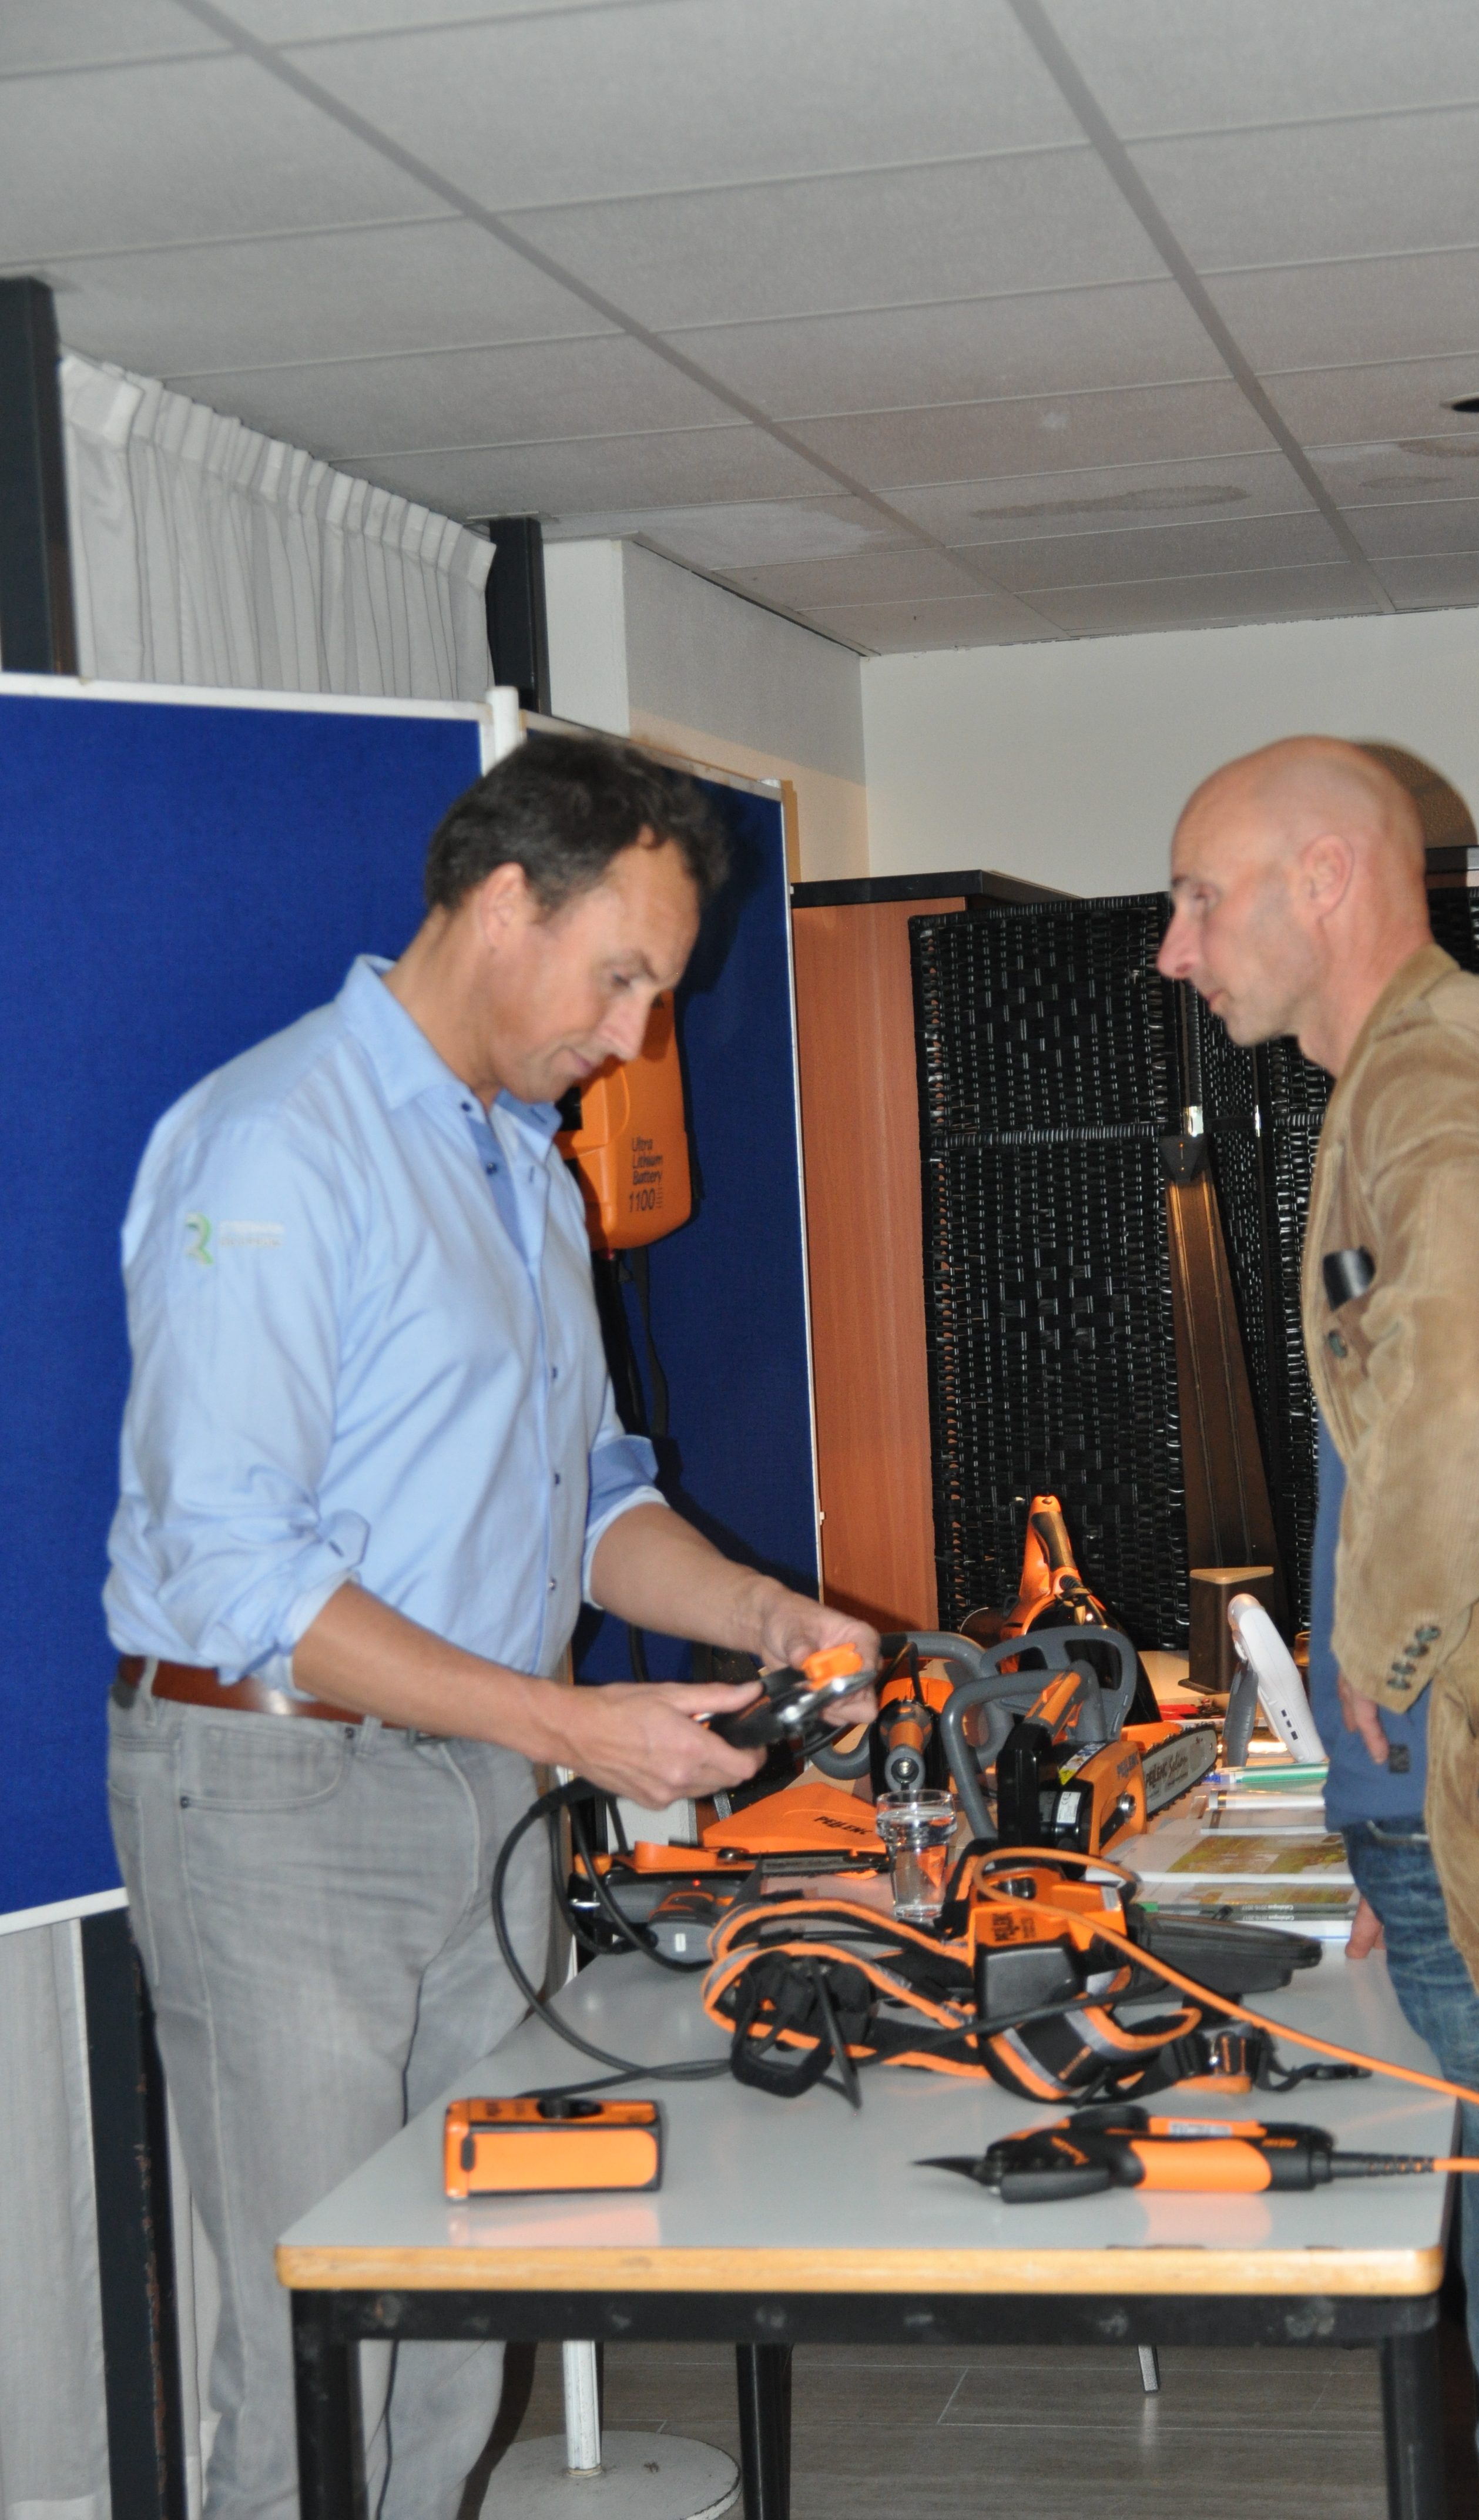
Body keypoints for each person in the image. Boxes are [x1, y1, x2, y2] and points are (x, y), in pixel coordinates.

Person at [105, 732, 878, 2520]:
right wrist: (569, 1728)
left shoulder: (529, 1174)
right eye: (624, 978)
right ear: (506, 901)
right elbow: (236, 1570)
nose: (636, 1036)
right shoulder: (279, 1142)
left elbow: (593, 1503)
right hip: (283, 1801)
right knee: (315, 2355)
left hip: (489, 1794)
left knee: (461, 2318)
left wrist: (769, 1615)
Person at [1158, 735, 1479, 2520]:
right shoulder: (1425, 1071)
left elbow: (1466, 1394)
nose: (1174, 946)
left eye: (1199, 897)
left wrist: (1379, 1679)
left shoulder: (1444, 1078)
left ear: (1325, 880)